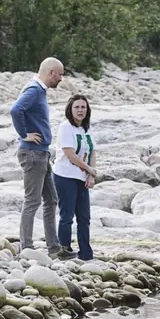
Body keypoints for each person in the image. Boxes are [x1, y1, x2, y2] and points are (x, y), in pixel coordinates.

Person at [10, 57, 67, 257]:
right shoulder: (34, 89)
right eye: (60, 74)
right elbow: (16, 110)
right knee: (32, 201)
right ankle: (26, 248)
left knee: (51, 200)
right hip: (33, 154)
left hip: (41, 153)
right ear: (51, 73)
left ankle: (54, 248)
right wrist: (24, 134)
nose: (61, 78)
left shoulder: (38, 90)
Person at [54, 94, 97, 261]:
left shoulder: (87, 128)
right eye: (77, 107)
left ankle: (86, 254)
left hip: (82, 177)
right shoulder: (66, 127)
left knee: (84, 217)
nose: (80, 110)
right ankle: (64, 251)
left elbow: (92, 151)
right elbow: (70, 154)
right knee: (67, 216)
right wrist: (89, 169)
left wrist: (90, 175)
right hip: (65, 176)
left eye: (83, 107)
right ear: (70, 110)